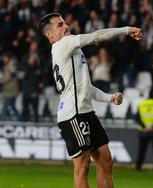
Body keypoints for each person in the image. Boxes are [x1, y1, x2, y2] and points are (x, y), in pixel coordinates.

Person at [39, 13, 142, 188]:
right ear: (50, 36)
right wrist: (126, 30)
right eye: (59, 25)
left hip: (86, 111)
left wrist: (110, 98)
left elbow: (86, 87)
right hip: (73, 114)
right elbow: (96, 36)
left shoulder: (72, 49)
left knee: (106, 160)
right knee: (82, 166)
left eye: (64, 23)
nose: (66, 26)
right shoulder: (63, 45)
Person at [135, 89, 153, 171]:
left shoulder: (142, 104)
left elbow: (137, 118)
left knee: (141, 150)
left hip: (143, 131)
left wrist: (144, 126)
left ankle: (138, 167)